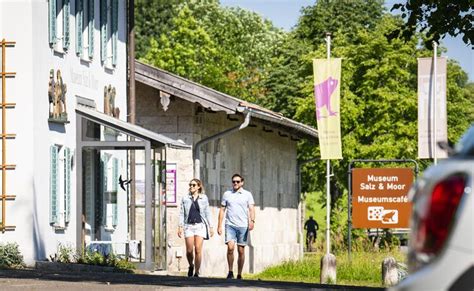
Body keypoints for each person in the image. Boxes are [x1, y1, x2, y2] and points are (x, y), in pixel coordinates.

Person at [217, 174, 255, 280]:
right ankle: (230, 271)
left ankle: (239, 273)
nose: (235, 183)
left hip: (243, 226)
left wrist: (252, 221)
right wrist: (219, 225)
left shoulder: (247, 194)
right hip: (230, 225)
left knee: (241, 250)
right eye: (234, 181)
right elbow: (222, 210)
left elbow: (252, 208)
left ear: (242, 182)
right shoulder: (227, 194)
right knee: (230, 248)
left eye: (238, 182)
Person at [178, 178, 214, 277]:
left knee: (198, 249)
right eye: (190, 185)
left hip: (200, 226)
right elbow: (182, 213)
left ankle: (197, 272)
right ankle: (191, 265)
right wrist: (180, 226)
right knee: (189, 251)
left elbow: (207, 213)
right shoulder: (185, 198)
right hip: (188, 226)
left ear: (198, 187)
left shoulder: (204, 198)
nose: (191, 187)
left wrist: (211, 227)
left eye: (193, 185)